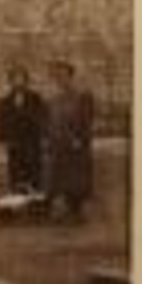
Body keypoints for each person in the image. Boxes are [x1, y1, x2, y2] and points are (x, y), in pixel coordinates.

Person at [43, 60, 95, 223]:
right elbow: (50, 121)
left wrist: (79, 139)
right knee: (60, 178)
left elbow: (87, 120)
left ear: (71, 76)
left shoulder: (82, 96)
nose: (60, 79)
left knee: (77, 178)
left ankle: (77, 212)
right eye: (57, 76)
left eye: (63, 75)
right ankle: (66, 210)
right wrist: (49, 140)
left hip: (75, 144)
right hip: (58, 144)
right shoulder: (54, 99)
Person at [0, 66, 46, 194]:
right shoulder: (6, 101)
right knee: (16, 172)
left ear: (26, 81)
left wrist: (40, 136)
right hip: (15, 143)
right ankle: (17, 199)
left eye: (21, 79)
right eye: (15, 79)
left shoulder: (35, 98)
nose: (18, 82)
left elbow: (41, 118)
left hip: (31, 142)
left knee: (34, 171)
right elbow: (3, 121)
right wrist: (5, 138)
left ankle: (35, 202)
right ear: (10, 82)